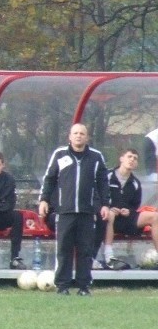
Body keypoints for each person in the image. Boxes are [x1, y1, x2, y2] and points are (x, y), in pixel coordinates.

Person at [39, 123, 110, 296]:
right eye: (75, 133)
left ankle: (84, 286)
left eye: (82, 133)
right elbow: (49, 179)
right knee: (64, 249)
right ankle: (62, 285)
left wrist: (105, 204)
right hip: (65, 211)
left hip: (87, 212)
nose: (78, 136)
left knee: (86, 249)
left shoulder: (96, 157)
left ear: (87, 137)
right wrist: (44, 200)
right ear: (69, 136)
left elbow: (103, 182)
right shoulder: (59, 154)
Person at [100, 148, 158, 268]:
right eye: (129, 156)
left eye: (135, 158)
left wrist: (128, 211)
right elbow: (98, 196)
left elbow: (135, 206)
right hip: (107, 218)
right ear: (121, 159)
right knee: (109, 214)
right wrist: (109, 207)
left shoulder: (135, 183)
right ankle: (109, 256)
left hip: (126, 219)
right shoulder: (107, 176)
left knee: (155, 217)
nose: (132, 160)